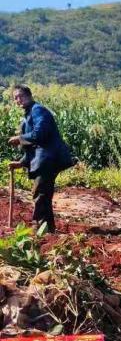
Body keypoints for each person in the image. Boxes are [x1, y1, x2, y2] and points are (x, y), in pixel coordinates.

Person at [8, 86, 74, 233]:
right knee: (42, 193)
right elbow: (34, 146)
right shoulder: (29, 114)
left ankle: (41, 227)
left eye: (21, 96)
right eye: (15, 98)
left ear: (29, 95)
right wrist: (21, 162)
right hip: (44, 159)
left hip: (49, 159)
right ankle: (47, 228)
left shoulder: (38, 110)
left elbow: (40, 134)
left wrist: (20, 138)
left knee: (41, 192)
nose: (18, 100)